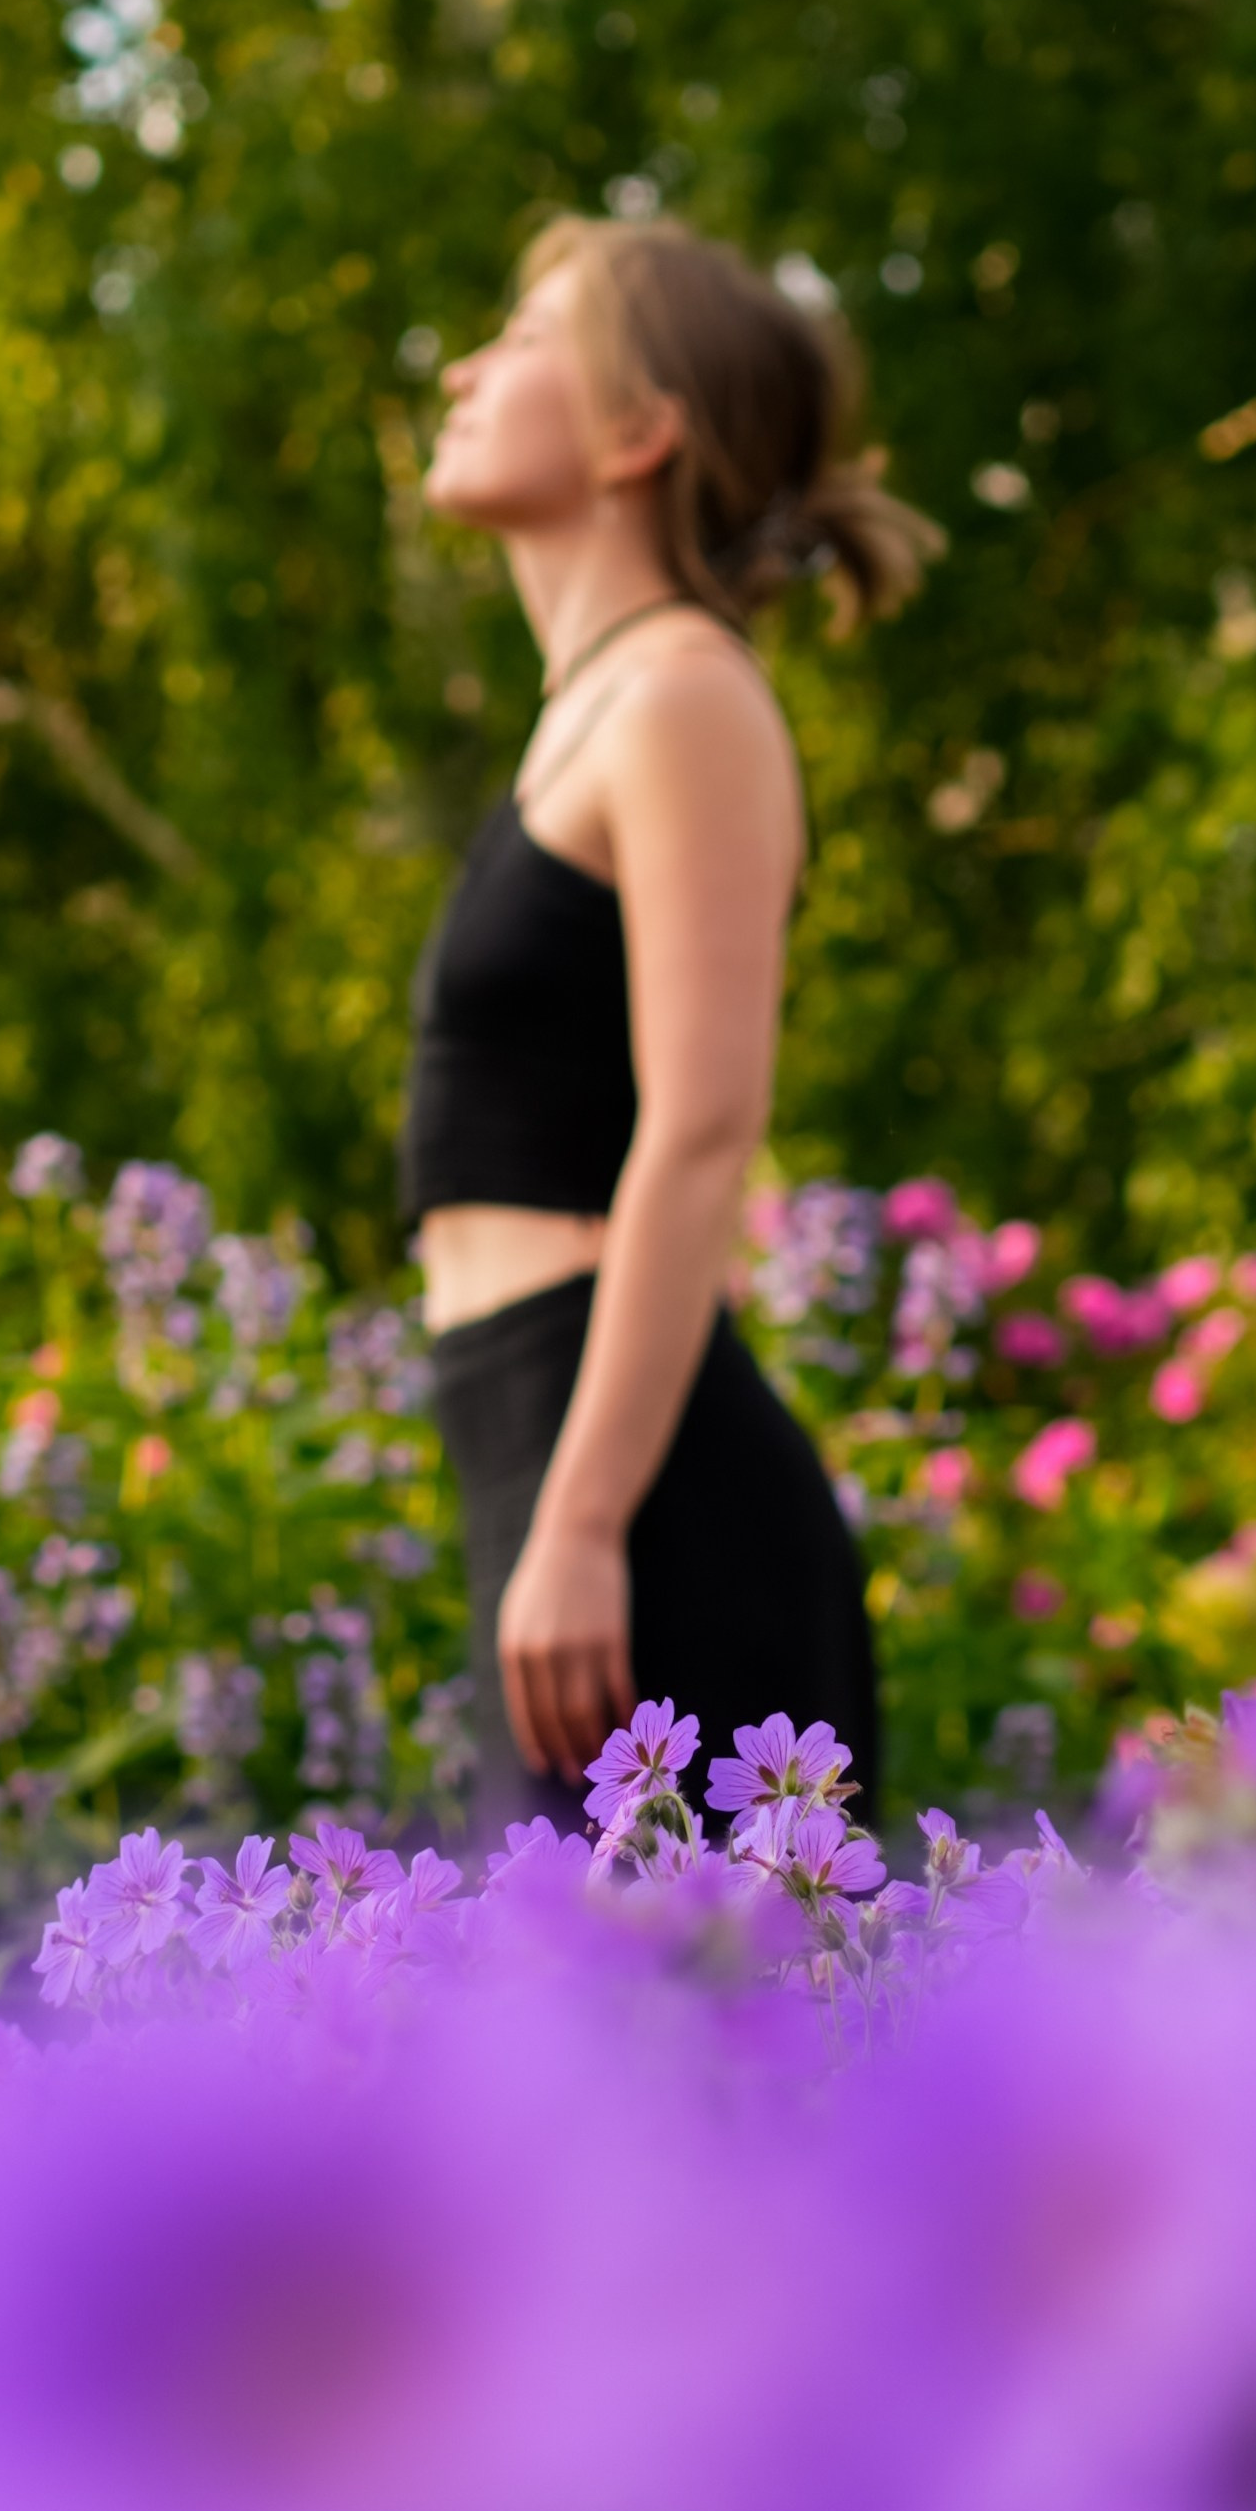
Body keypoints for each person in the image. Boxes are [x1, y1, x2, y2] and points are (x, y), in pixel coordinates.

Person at [403, 215, 940, 1830]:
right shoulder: (601, 710)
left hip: (641, 1498)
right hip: (543, 1440)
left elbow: (703, 1124)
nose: (464, 367)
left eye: (525, 337)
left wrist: (581, 1520)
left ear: (640, 432)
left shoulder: (687, 694)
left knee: (704, 2073)